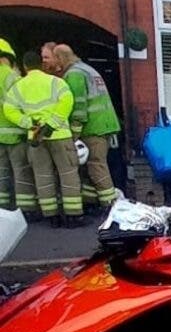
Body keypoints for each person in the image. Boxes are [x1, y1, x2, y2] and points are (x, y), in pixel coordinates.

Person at [3, 51, 83, 228]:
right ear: (42, 64)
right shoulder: (56, 82)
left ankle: (51, 215)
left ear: (25, 66)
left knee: (42, 175)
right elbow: (67, 101)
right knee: (68, 174)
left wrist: (29, 123)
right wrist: (52, 124)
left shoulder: (18, 86)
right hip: (60, 135)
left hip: (35, 137)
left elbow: (9, 109)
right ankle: (73, 216)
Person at [54, 44, 121, 210]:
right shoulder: (86, 69)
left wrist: (73, 135)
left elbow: (79, 107)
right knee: (92, 167)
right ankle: (94, 201)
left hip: (93, 128)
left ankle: (110, 205)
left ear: (61, 58)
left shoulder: (74, 75)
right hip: (103, 125)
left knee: (96, 166)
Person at [0, 39, 36, 215]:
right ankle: (26, 209)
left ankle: (2, 208)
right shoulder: (10, 76)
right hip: (15, 132)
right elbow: (23, 103)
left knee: (1, 173)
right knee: (21, 172)